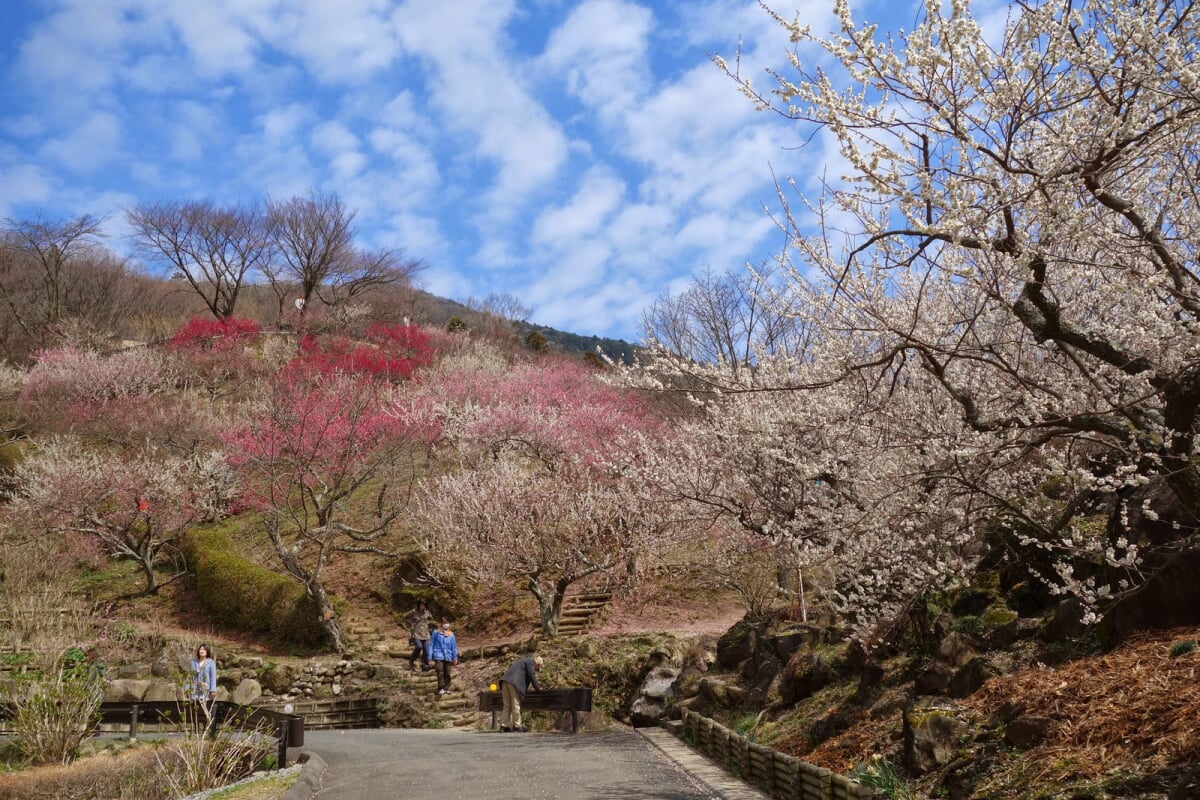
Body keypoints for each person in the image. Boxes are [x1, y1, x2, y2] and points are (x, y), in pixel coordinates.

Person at [499, 654, 543, 732]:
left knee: (507, 705)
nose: (536, 670)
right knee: (515, 705)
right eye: (537, 669)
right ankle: (517, 726)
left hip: (504, 681)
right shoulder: (531, 662)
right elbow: (532, 676)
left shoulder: (523, 661)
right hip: (513, 683)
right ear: (537, 664)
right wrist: (538, 689)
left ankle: (504, 726)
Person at [427, 618, 459, 695]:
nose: (446, 624)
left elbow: (454, 647)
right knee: (440, 671)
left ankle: (446, 688)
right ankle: (441, 688)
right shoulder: (436, 632)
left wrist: (455, 658)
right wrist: (429, 656)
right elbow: (431, 645)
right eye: (444, 623)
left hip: (448, 656)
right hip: (438, 655)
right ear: (441, 624)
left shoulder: (451, 634)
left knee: (447, 672)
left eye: (447, 623)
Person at [404, 599, 432, 671]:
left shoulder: (427, 612)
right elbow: (405, 616)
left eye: (424, 605)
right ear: (419, 605)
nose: (423, 607)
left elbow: (430, 618)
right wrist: (411, 623)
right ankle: (412, 660)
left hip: (425, 634)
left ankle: (425, 666)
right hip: (416, 633)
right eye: (421, 605)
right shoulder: (414, 611)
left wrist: (427, 623)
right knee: (419, 647)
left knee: (426, 649)